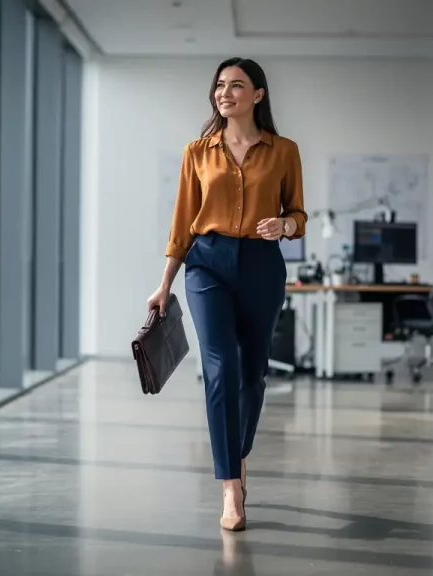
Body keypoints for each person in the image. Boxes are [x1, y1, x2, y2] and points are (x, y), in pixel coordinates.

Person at [147, 57, 307, 532]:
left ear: (258, 95)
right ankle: (230, 488)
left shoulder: (284, 151)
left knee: (253, 374)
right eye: (220, 85)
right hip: (207, 265)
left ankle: (237, 456)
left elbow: (299, 212)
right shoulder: (197, 152)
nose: (225, 93)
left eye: (237, 85)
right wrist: (164, 284)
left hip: (262, 264)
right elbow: (182, 224)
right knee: (220, 367)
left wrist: (286, 224)